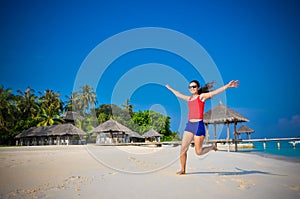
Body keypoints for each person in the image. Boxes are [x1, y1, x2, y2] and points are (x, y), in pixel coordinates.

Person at [166, 80, 239, 175]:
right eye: (190, 87)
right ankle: (183, 170)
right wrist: (170, 88)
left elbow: (214, 93)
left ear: (198, 88)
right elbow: (178, 94)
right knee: (183, 149)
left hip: (198, 125)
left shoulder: (201, 97)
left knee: (198, 152)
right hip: (189, 125)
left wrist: (227, 86)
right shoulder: (189, 98)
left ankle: (212, 147)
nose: (192, 88)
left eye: (194, 86)